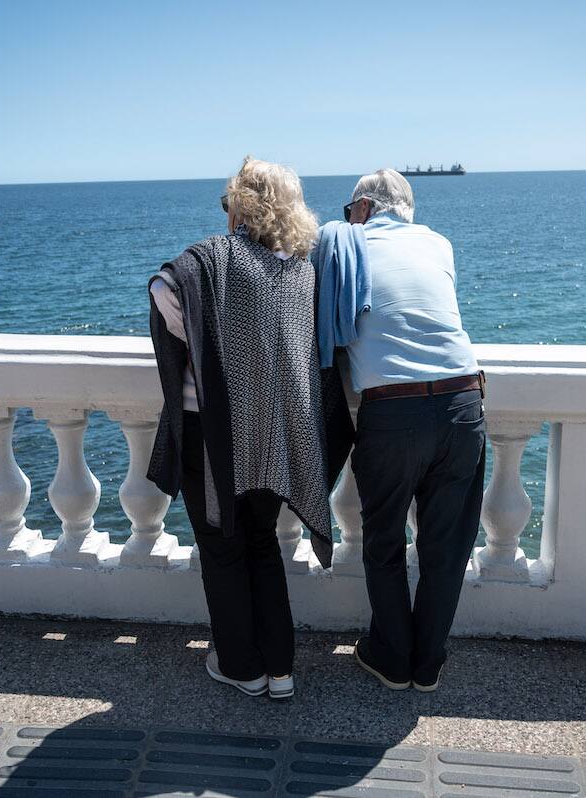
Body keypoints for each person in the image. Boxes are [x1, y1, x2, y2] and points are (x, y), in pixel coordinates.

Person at [146, 156, 340, 701]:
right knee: (261, 543)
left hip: (212, 438)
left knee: (221, 547)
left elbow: (163, 288)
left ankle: (241, 667)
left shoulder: (216, 256)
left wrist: (201, 337)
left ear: (243, 205)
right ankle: (280, 669)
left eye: (229, 202)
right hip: (274, 437)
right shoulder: (300, 272)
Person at [334, 169, 486, 692]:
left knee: (383, 540)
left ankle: (392, 658)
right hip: (463, 401)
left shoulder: (347, 243)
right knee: (448, 544)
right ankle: (428, 663)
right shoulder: (439, 244)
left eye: (350, 210)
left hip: (393, 411)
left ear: (363, 208)